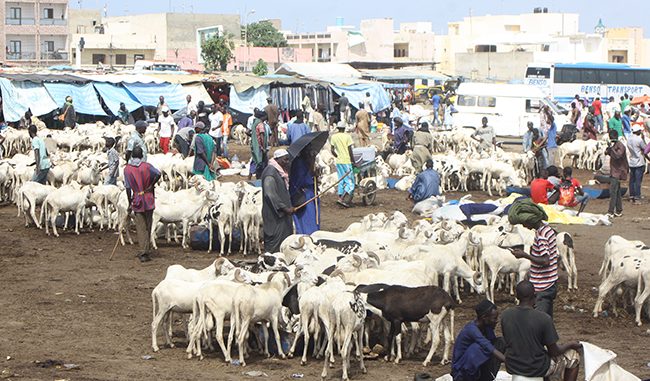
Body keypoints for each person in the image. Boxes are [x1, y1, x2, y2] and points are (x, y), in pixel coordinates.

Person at [501, 281, 582, 381]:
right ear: (535, 295)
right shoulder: (543, 318)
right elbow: (555, 351)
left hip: (514, 366)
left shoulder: (506, 315)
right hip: (536, 368)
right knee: (573, 356)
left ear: (517, 296)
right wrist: (570, 345)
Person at [509, 202, 560, 317]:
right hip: (550, 283)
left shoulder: (541, 235)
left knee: (539, 320)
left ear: (530, 221)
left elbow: (545, 261)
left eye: (524, 223)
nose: (524, 226)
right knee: (546, 319)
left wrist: (524, 255)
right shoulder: (548, 230)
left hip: (543, 286)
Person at [123, 146, 161, 263]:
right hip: (148, 197)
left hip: (137, 199)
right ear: (141, 155)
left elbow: (128, 188)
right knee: (148, 225)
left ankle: (143, 251)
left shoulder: (127, 169)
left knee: (140, 226)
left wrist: (130, 202)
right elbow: (158, 174)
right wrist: (151, 184)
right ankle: (146, 250)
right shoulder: (147, 166)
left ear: (132, 156)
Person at [452, 299, 506, 381]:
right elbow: (489, 347)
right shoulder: (471, 329)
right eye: (494, 318)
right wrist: (509, 362)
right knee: (478, 348)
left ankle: (487, 376)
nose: (496, 321)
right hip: (461, 370)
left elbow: (494, 345)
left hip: (476, 366)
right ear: (484, 317)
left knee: (500, 342)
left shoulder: (487, 328)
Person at [261, 149, 294, 253]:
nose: (287, 162)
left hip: (282, 214)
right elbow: (269, 194)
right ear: (277, 159)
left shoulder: (280, 172)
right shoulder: (270, 173)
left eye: (288, 160)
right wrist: (284, 208)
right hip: (274, 214)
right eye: (285, 160)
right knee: (274, 240)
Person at [595, 129, 628, 218]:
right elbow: (610, 153)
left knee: (613, 192)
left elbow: (617, 156)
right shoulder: (615, 145)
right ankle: (618, 210)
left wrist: (611, 149)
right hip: (614, 171)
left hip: (618, 172)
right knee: (616, 192)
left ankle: (611, 211)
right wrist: (608, 150)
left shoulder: (620, 146)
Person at [289, 147, 320, 234]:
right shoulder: (299, 163)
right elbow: (298, 180)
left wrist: (314, 174)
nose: (312, 154)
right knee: (307, 219)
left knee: (313, 217)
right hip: (303, 195)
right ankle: (308, 235)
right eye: (310, 152)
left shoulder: (306, 162)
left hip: (310, 193)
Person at [330, 123, 355, 207]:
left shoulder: (334, 137)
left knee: (341, 180)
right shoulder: (347, 137)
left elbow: (332, 150)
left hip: (339, 161)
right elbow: (350, 150)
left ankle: (340, 196)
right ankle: (342, 199)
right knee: (350, 182)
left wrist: (337, 156)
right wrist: (353, 161)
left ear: (337, 128)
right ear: (344, 128)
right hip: (346, 161)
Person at [627, 125, 649, 203]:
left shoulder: (629, 139)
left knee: (632, 180)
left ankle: (631, 196)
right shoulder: (639, 140)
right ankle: (637, 197)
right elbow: (645, 149)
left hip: (632, 161)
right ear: (638, 131)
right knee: (638, 181)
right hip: (639, 162)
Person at [250, 110, 269, 179]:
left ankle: (250, 175)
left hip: (254, 145)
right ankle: (259, 177)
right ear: (263, 117)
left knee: (254, 160)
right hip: (260, 146)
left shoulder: (255, 122)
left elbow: (249, 132)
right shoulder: (260, 124)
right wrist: (264, 147)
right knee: (261, 162)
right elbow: (262, 136)